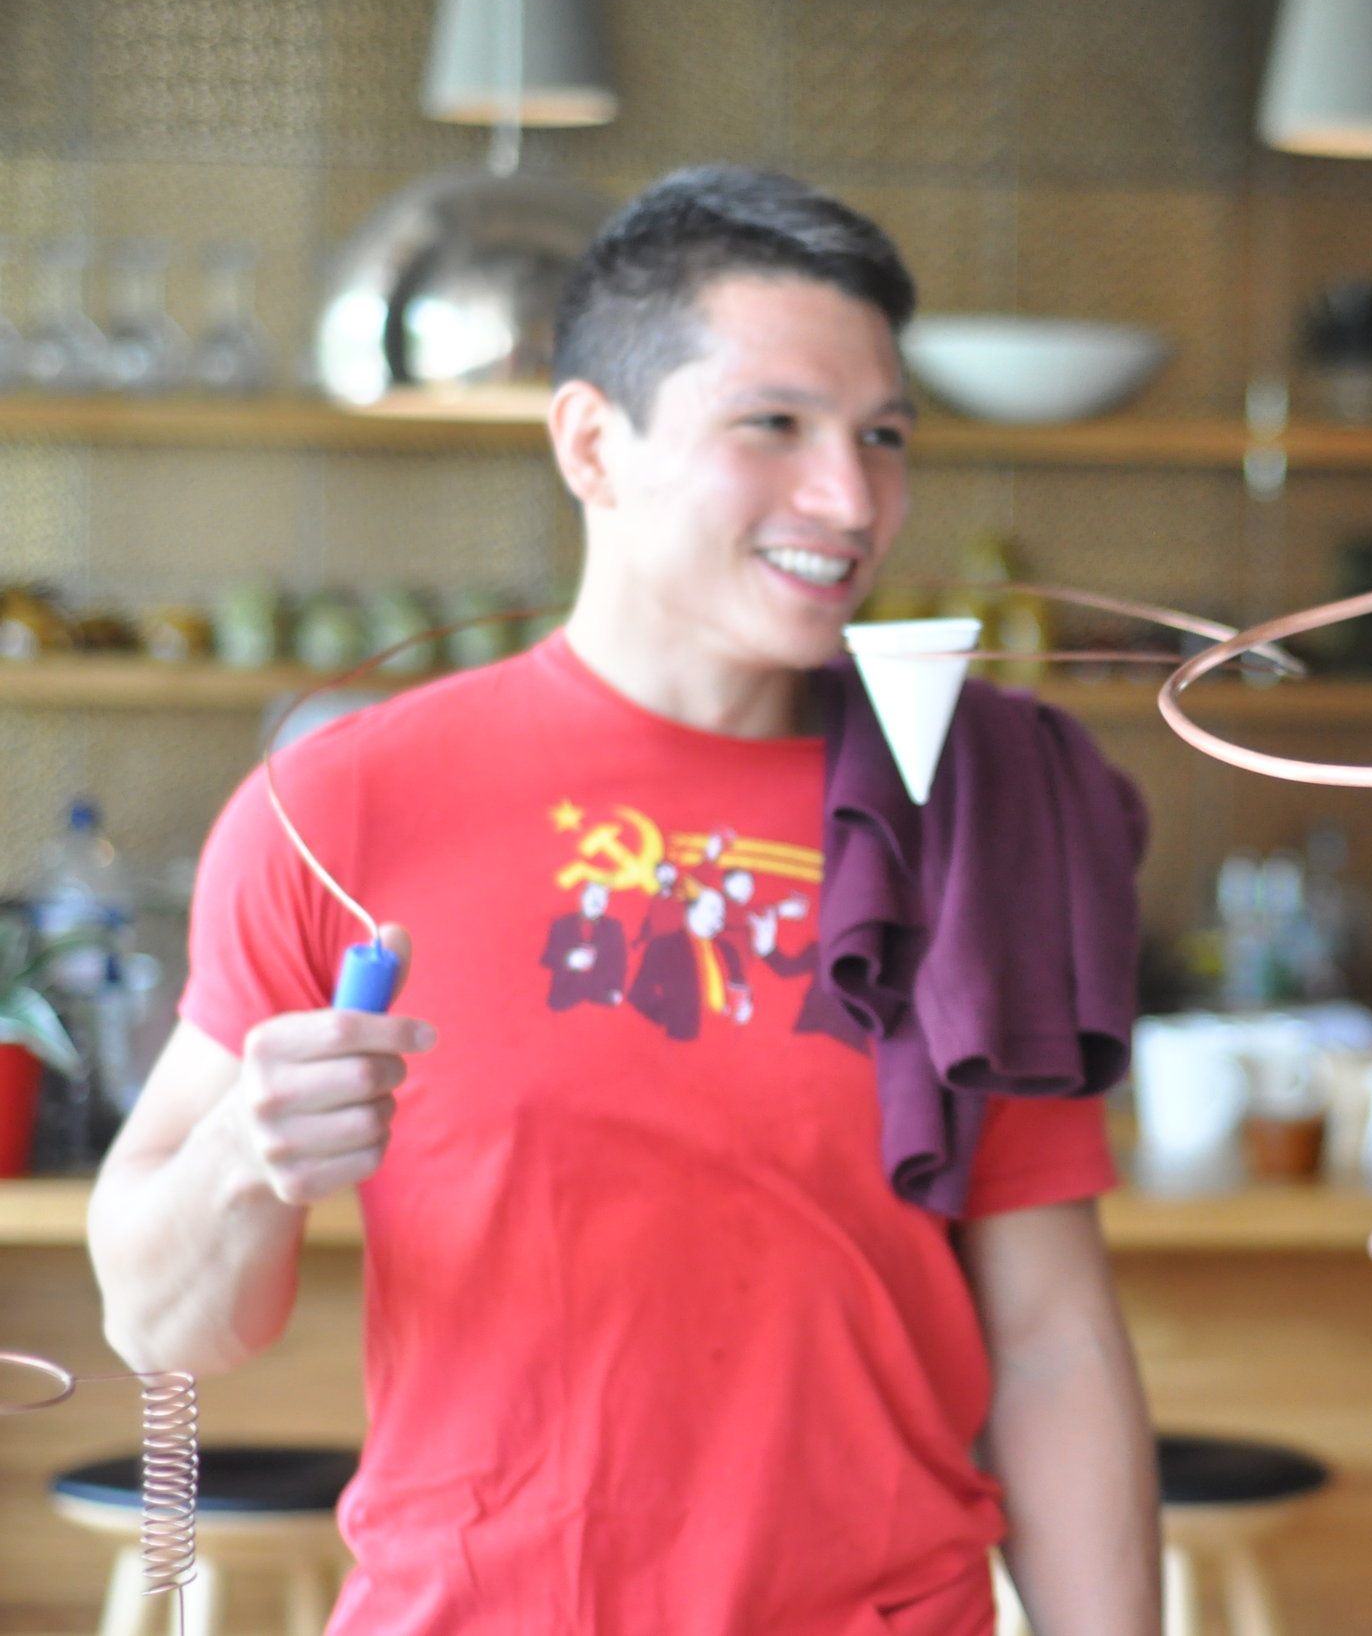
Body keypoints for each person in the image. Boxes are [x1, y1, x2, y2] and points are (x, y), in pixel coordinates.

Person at [87, 168, 1160, 1636]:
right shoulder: (339, 809)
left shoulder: (971, 813)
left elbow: (1051, 1342)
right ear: (592, 441)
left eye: (884, 435)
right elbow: (165, 1325)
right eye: (773, 424)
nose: (850, 501)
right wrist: (242, 1160)